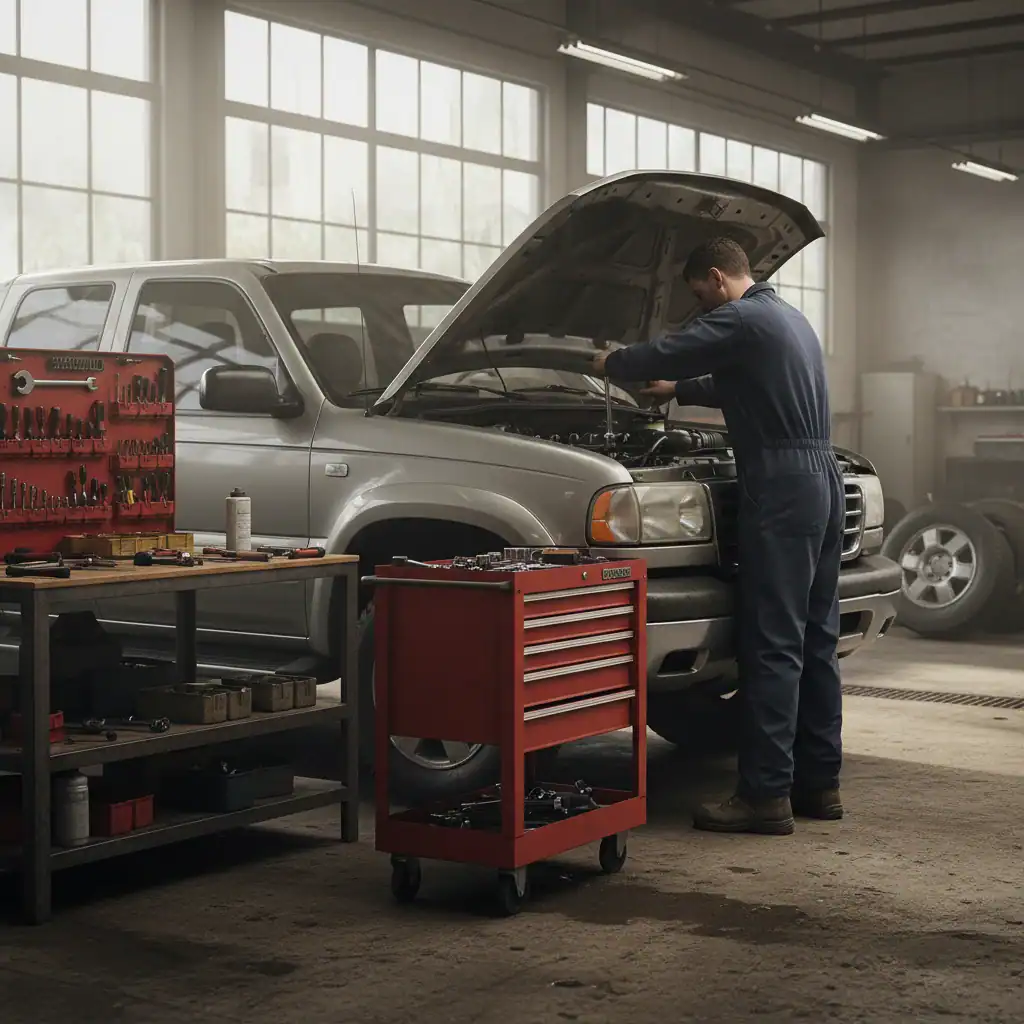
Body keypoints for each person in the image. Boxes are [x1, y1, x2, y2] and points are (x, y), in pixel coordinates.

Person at [593, 237, 845, 836]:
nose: (701, 307)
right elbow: (743, 380)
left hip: (781, 484)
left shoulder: (741, 317)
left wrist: (614, 363)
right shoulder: (789, 320)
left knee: (773, 644)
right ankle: (819, 784)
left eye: (700, 295)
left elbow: (674, 349)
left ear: (717, 277)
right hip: (823, 478)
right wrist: (677, 392)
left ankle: (764, 795)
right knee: (816, 640)